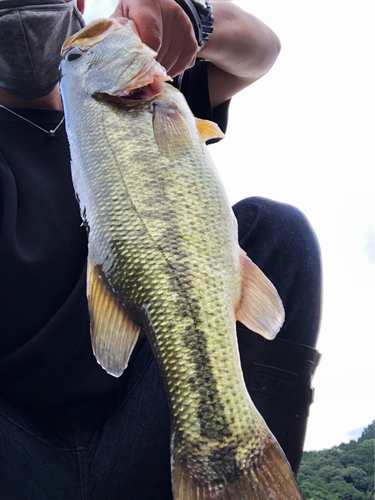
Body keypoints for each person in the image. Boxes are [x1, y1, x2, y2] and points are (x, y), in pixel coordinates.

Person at [0, 0, 322, 498]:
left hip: (146, 421)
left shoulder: (140, 92)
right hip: (20, 456)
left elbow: (261, 50)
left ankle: (235, 466)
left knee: (280, 231)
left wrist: (194, 18)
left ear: (79, 5)